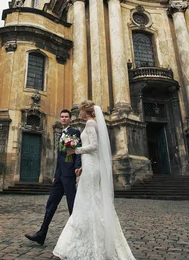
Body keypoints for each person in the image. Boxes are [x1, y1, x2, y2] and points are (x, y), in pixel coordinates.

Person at [53, 100, 136, 260]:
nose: (78, 113)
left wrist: (75, 150)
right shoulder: (93, 124)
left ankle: (79, 243)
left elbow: (94, 146)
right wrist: (83, 164)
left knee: (85, 202)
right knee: (91, 201)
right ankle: (91, 240)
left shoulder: (91, 125)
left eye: (80, 111)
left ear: (87, 111)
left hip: (91, 167)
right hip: (90, 165)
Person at [25, 109, 82, 245]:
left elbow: (78, 151)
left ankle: (78, 236)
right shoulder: (61, 134)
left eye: (66, 117)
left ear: (70, 119)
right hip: (60, 176)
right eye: (61, 116)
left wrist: (77, 167)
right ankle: (42, 233)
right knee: (51, 204)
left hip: (69, 175)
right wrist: (56, 175)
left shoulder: (75, 132)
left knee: (72, 206)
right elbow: (60, 158)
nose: (63, 119)